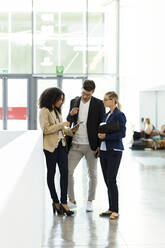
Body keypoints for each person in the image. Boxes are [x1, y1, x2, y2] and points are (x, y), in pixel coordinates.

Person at [67, 79, 105, 212]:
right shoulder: (74, 101)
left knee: (93, 174)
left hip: (91, 145)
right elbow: (69, 120)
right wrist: (71, 114)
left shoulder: (99, 104)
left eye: (88, 94)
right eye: (83, 93)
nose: (85, 96)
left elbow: (102, 126)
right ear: (81, 89)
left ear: (93, 92)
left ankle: (90, 201)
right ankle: (71, 200)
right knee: (68, 171)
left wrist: (100, 145)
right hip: (76, 144)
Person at [39, 87, 75, 216]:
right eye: (60, 99)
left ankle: (64, 202)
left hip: (62, 145)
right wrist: (62, 125)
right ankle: (55, 201)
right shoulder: (44, 111)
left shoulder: (57, 111)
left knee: (65, 172)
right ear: (52, 98)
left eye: (62, 99)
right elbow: (46, 129)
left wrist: (71, 130)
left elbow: (61, 130)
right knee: (52, 174)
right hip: (50, 147)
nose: (61, 101)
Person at [98, 91, 126, 220]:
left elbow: (122, 134)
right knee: (107, 180)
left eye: (106, 99)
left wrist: (106, 136)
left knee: (111, 179)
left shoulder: (119, 115)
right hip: (104, 150)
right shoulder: (106, 115)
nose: (104, 102)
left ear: (113, 100)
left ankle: (116, 210)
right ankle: (110, 208)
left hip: (114, 150)